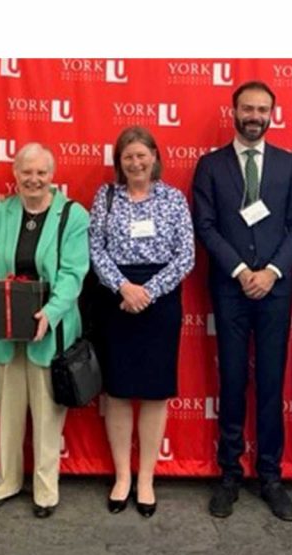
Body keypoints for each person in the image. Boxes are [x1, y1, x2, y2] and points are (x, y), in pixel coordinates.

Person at [189, 81, 292, 521]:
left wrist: (270, 272)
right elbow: (205, 226)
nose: (254, 115)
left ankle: (271, 476)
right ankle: (229, 475)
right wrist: (242, 272)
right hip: (230, 288)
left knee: (272, 383)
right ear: (234, 112)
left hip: (275, 290)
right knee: (233, 380)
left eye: (262, 109)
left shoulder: (290, 166)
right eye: (247, 108)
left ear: (272, 114)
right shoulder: (210, 166)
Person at [0, 144, 91, 519]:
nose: (34, 179)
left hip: (50, 330)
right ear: (15, 174)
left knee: (46, 415)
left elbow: (74, 273)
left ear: (52, 175)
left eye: (41, 172)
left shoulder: (73, 216)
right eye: (26, 172)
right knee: (7, 412)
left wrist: (51, 313)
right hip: (5, 331)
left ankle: (45, 489)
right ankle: (7, 481)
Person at [86, 126, 194, 518]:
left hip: (160, 301)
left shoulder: (174, 199)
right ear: (119, 162)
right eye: (127, 157)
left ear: (154, 157)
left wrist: (149, 290)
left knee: (153, 391)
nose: (135, 163)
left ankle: (146, 477)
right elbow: (95, 248)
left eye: (141, 155)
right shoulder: (106, 196)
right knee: (116, 390)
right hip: (116, 299)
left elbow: (186, 255)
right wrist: (123, 288)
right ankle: (122, 477)